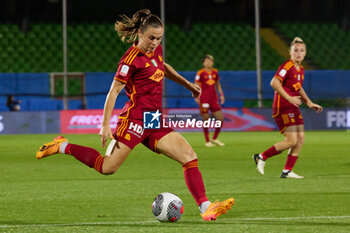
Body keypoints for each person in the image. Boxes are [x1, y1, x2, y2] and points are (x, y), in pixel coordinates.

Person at [36, 9, 233, 221]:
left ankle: (205, 207)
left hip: (154, 119)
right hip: (134, 120)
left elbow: (162, 66)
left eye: (159, 39)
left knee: (189, 156)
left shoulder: (156, 50)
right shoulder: (129, 60)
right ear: (140, 33)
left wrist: (187, 84)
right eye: (151, 38)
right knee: (107, 167)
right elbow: (113, 92)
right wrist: (105, 125)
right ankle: (62, 145)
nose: (155, 43)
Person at [253, 37, 323, 178]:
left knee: (301, 138)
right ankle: (261, 156)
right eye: (295, 50)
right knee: (291, 141)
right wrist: (289, 98)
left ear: (305, 53)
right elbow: (274, 82)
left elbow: (298, 88)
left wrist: (309, 102)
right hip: (283, 107)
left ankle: (287, 171)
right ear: (290, 52)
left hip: (293, 107)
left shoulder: (300, 69)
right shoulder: (288, 66)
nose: (299, 53)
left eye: (302, 50)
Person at [194, 55, 225, 147]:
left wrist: (222, 95)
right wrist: (196, 96)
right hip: (204, 99)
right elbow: (196, 85)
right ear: (203, 63)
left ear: (213, 62)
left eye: (210, 61)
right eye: (206, 61)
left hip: (214, 99)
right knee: (206, 119)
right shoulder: (200, 73)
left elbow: (217, 84)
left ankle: (214, 138)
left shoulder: (215, 72)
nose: (208, 62)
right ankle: (207, 141)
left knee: (220, 119)